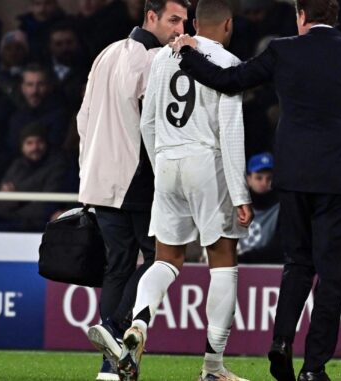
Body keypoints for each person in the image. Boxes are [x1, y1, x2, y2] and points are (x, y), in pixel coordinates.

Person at [173, 0, 341, 379]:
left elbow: (229, 80)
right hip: (337, 178)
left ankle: (281, 341)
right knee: (331, 274)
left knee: (297, 265)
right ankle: (314, 369)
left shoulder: (283, 50)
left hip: (292, 176)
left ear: (301, 16)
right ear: (334, 18)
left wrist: (189, 55)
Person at [116, 1, 252, 380]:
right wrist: (240, 193)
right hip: (207, 162)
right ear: (228, 24)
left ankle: (139, 324)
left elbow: (147, 120)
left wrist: (161, 166)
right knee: (223, 262)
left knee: (165, 260)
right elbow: (231, 131)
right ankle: (213, 367)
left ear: (193, 23)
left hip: (167, 160)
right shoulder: (227, 62)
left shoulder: (162, 57)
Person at [76, 0, 189, 379]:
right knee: (161, 260)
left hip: (99, 177)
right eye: (174, 20)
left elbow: (83, 118)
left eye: (184, 21)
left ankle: (112, 367)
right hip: (137, 177)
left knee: (118, 266)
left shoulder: (106, 53)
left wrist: (86, 169)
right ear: (151, 17)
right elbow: (158, 122)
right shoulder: (157, 59)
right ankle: (113, 328)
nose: (180, 28)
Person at [0, 122, 65, 232]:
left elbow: (46, 207)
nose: (35, 147)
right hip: (11, 222)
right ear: (22, 147)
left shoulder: (57, 166)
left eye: (39, 142)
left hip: (39, 227)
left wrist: (14, 200)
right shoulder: (16, 166)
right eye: (29, 143)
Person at [7, 64, 69, 152]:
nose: (34, 91)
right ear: (23, 88)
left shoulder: (60, 116)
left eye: (40, 84)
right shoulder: (16, 118)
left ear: (49, 87)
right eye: (30, 85)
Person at [238, 152, 285, 264]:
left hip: (267, 272)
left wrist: (241, 259)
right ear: (248, 179)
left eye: (269, 178)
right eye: (259, 178)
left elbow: (278, 249)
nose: (264, 183)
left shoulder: (283, 209)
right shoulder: (235, 207)